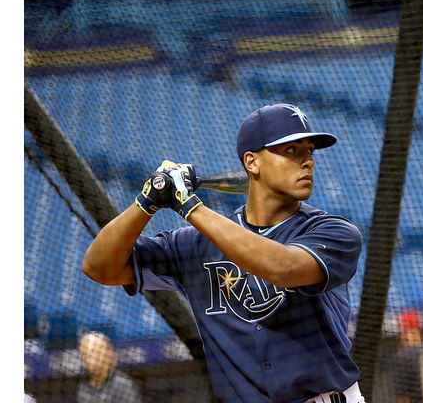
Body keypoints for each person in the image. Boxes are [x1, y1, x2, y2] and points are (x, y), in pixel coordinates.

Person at [83, 103, 365, 403]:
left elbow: (282, 267)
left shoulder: (334, 232)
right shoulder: (193, 246)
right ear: (252, 162)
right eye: (292, 150)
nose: (308, 161)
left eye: (310, 150)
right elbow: (99, 267)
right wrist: (147, 200)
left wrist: (189, 206)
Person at [77, 331, 143, 403]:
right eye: (84, 353)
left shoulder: (121, 384)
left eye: (93, 351)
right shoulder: (83, 389)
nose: (87, 358)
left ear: (108, 353)